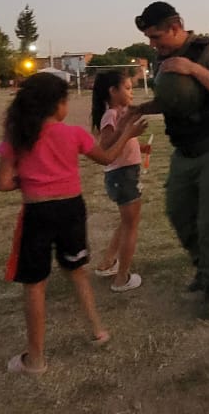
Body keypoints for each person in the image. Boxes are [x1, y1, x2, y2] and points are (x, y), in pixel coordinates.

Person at [0, 72, 147, 374]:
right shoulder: (73, 134)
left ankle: (36, 360)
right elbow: (106, 158)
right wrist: (128, 134)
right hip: (72, 211)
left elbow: (2, 183)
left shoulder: (17, 137)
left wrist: (29, 181)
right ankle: (98, 330)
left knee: (35, 285)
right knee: (77, 272)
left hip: (37, 214)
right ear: (57, 105)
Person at [131, 1, 209, 319]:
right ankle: (203, 269)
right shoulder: (161, 58)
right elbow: (173, 100)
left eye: (156, 36)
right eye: (150, 38)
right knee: (177, 212)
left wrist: (193, 68)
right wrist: (142, 109)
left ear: (176, 27)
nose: (153, 44)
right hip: (184, 149)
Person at [90, 71, 151, 292]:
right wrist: (129, 130)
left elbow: (123, 142)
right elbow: (105, 145)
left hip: (126, 174)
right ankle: (121, 278)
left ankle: (108, 262)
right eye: (127, 88)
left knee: (126, 222)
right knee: (130, 226)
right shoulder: (110, 115)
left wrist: (140, 146)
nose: (131, 92)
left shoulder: (120, 113)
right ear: (112, 91)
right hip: (122, 176)